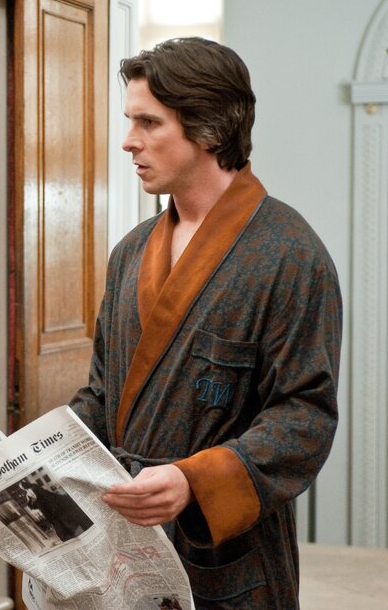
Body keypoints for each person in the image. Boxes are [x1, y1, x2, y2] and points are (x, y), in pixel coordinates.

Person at [69, 37, 341, 609]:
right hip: (126, 549)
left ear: (210, 130)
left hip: (229, 559)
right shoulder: (130, 252)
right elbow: (101, 393)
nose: (128, 140)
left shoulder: (290, 255)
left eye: (148, 122)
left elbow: (303, 418)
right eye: (130, 121)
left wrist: (194, 481)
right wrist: (36, 456)